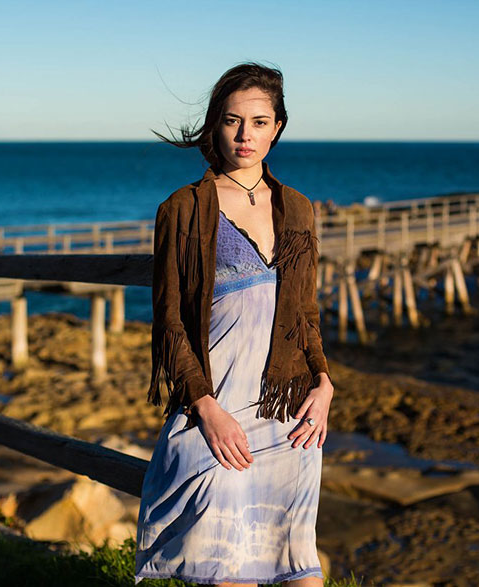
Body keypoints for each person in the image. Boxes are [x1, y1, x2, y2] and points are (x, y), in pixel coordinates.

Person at [134, 62, 335, 586]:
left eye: (260, 122)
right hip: (215, 407)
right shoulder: (183, 208)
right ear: (215, 125)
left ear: (277, 128)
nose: (245, 135)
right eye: (232, 120)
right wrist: (204, 407)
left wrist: (324, 382)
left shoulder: (298, 208)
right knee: (225, 568)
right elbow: (170, 321)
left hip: (286, 410)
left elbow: (305, 313)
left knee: (298, 571)